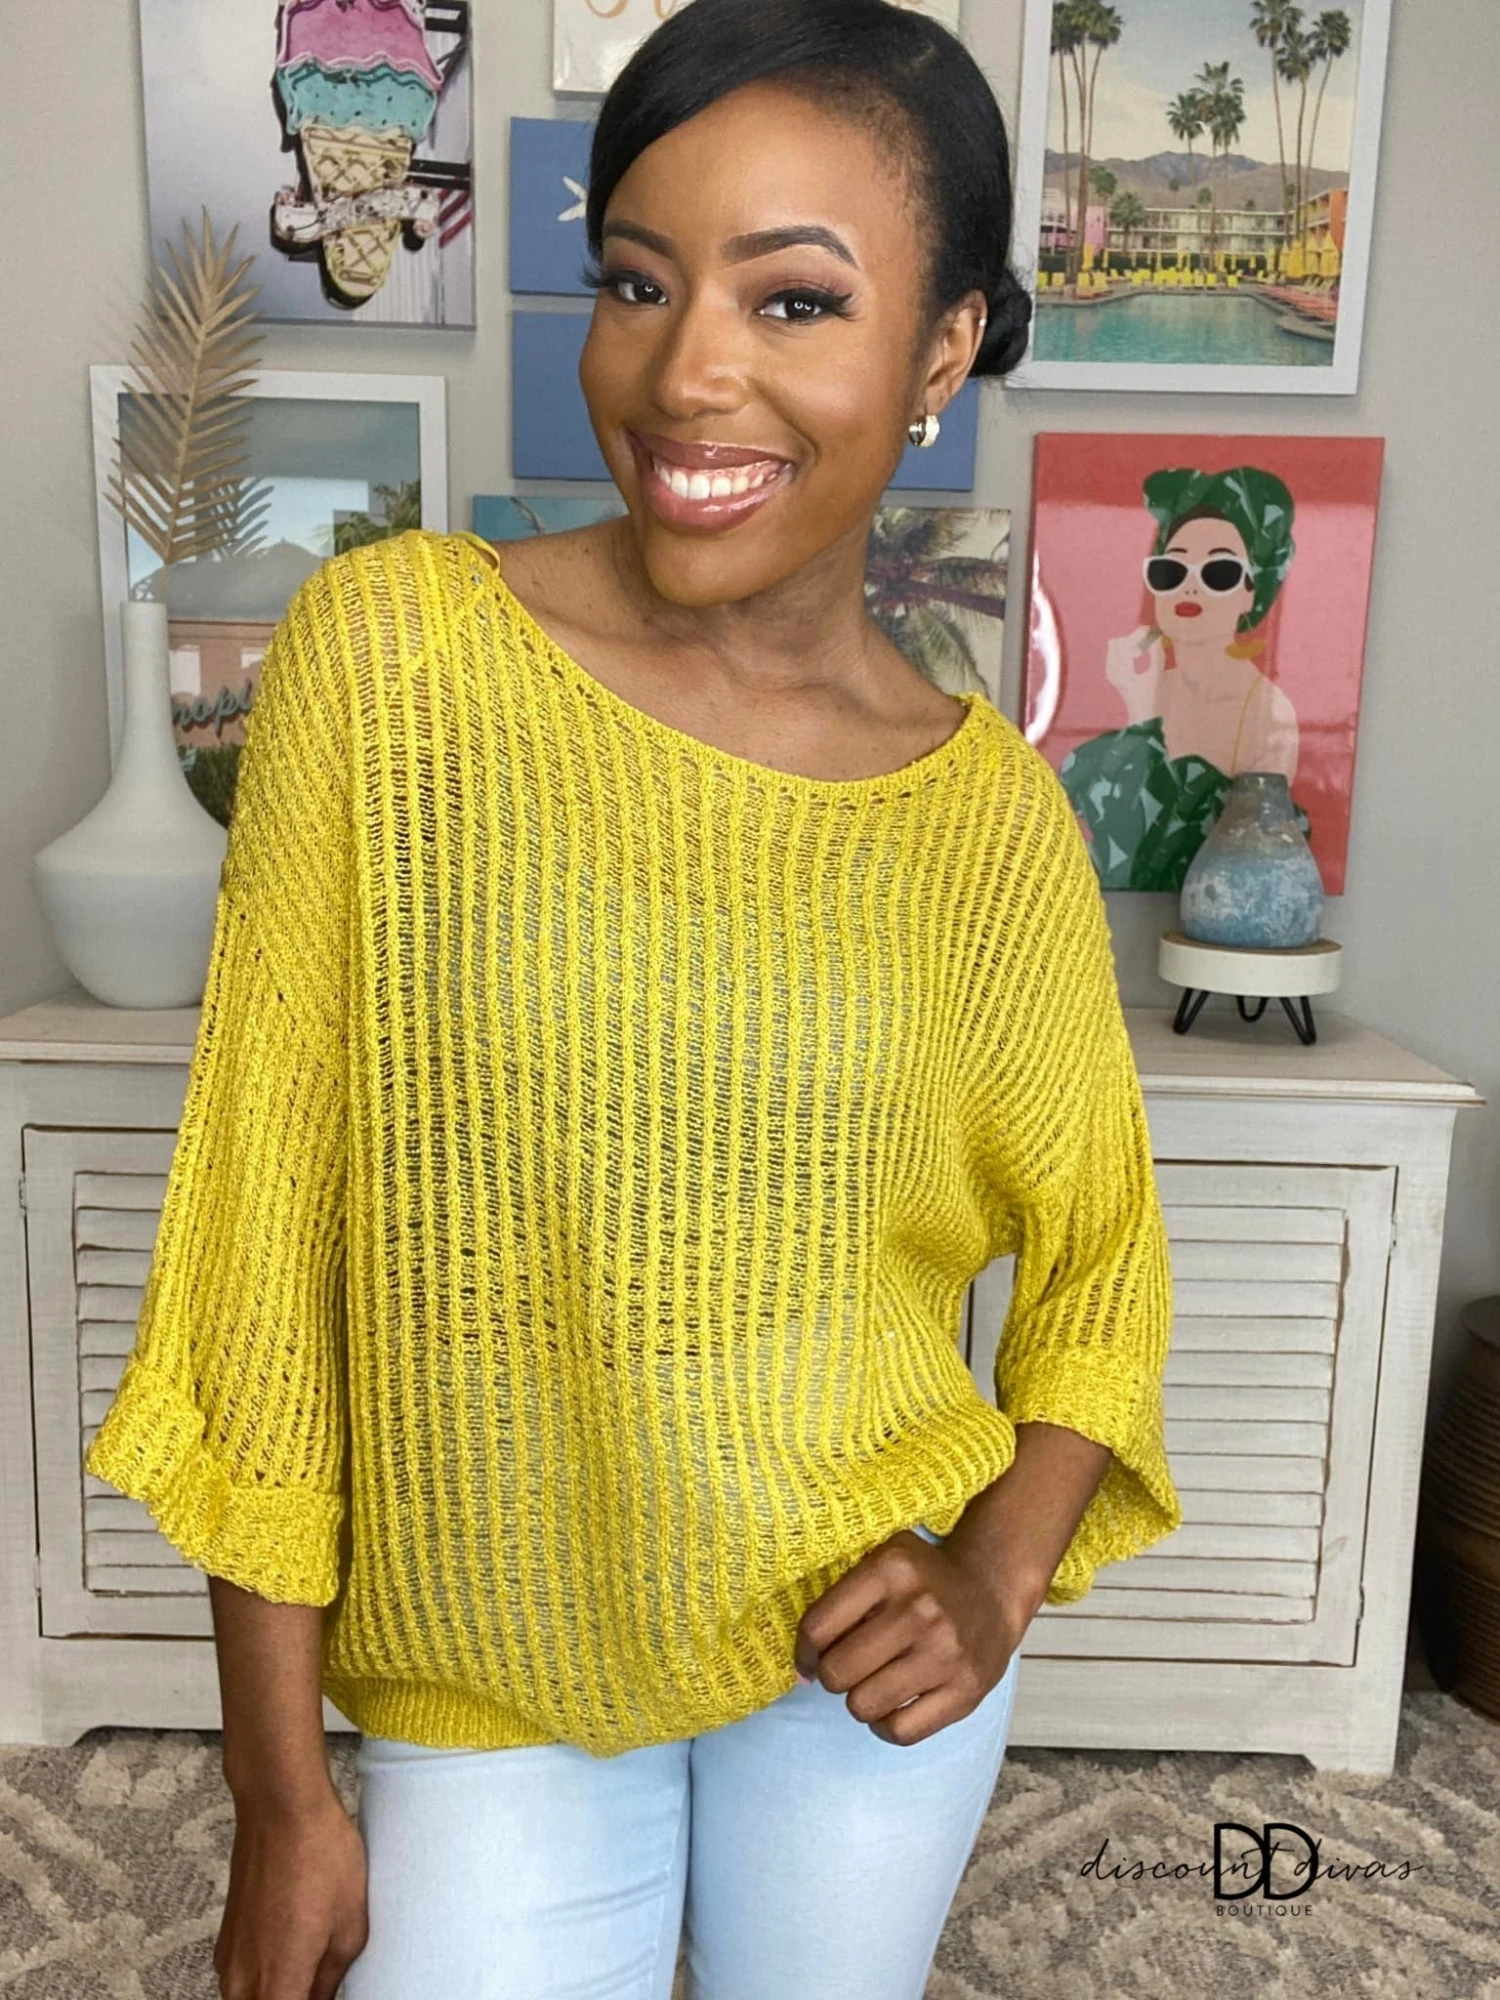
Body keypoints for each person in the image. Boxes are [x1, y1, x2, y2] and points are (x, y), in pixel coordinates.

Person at [84, 2, 1181, 1995]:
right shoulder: (395, 664)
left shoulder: (989, 828)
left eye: (795, 300)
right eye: (639, 282)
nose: (688, 375)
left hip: (852, 1663)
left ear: (944, 349)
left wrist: (996, 1576)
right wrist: (278, 1790)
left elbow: (1103, 1261)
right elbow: (261, 1258)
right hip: (489, 1670)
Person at [1059, 464, 1305, 891]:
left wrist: (1142, 717)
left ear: (1252, 591)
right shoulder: (1141, 689)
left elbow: (1151, 854)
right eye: (1172, 571)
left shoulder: (1268, 714)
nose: (1189, 588)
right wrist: (1139, 708)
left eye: (1219, 573)